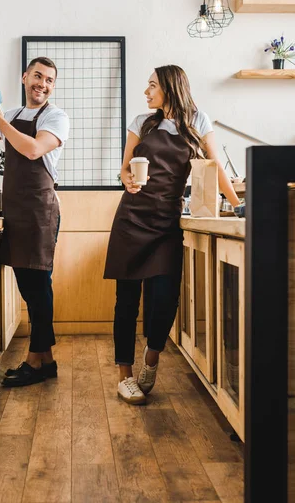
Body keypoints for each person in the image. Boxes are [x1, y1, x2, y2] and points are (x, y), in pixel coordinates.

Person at [104, 65, 240, 405]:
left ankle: (151, 357)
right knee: (126, 301)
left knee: (166, 298)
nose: (146, 93)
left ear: (170, 87)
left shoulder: (197, 122)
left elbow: (215, 165)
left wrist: (238, 206)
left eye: (152, 86)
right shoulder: (141, 123)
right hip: (132, 218)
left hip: (167, 222)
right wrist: (128, 179)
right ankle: (124, 375)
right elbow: (124, 167)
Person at [0, 57, 69, 387]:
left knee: (38, 288)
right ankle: (47, 361)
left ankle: (34, 363)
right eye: (38, 76)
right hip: (16, 211)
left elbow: (35, 149)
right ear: (24, 77)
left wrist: (0, 121)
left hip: (40, 211)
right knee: (30, 288)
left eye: (49, 80)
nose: (43, 83)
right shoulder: (10, 115)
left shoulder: (55, 117)